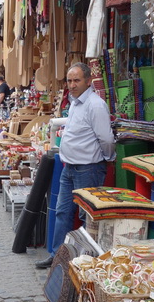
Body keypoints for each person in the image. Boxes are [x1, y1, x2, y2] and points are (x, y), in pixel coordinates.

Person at [35, 62, 115, 269]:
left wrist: (106, 158)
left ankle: (84, 262)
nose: (72, 84)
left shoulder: (95, 105)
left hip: (88, 169)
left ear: (88, 81)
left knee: (85, 217)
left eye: (77, 80)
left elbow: (106, 138)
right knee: (62, 213)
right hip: (69, 168)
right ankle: (57, 256)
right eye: (69, 80)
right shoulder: (75, 103)